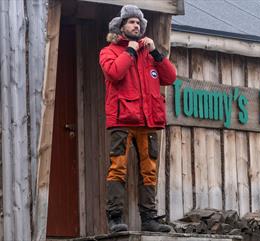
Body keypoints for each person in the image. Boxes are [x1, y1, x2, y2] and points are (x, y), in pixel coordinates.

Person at [99, 5, 176, 233]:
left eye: (138, 22)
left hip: (148, 122)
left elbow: (170, 77)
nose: (136, 25)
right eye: (131, 22)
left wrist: (155, 53)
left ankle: (149, 219)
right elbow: (114, 73)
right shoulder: (109, 51)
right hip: (122, 119)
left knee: (149, 171)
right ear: (121, 26)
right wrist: (130, 52)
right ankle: (115, 218)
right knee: (118, 168)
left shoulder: (149, 54)